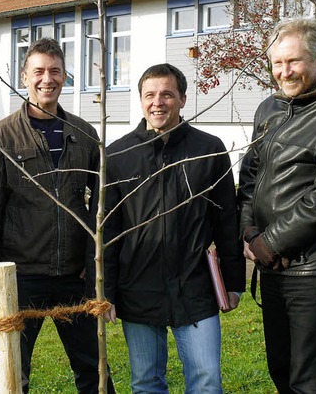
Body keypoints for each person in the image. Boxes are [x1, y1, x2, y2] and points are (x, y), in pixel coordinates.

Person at [0, 37, 115, 394]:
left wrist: (95, 267)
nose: (46, 79)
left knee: (93, 369)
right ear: (24, 77)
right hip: (22, 277)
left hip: (75, 275)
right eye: (38, 71)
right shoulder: (1, 137)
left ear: (65, 77)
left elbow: (102, 207)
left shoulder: (84, 134)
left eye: (54, 71)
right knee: (12, 373)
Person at [102, 63, 245, 392]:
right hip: (137, 288)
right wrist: (106, 292)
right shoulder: (118, 156)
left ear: (182, 99)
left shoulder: (208, 150)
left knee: (206, 378)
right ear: (140, 100)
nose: (158, 102)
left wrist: (234, 282)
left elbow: (226, 220)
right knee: (146, 381)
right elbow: (107, 232)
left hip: (195, 286)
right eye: (149, 95)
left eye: (167, 94)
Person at [239, 17, 316, 393]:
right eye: (277, 63)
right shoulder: (269, 108)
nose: (284, 71)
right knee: (281, 370)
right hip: (274, 266)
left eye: (293, 61)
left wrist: (269, 242)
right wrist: (248, 229)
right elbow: (250, 175)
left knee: (314, 380)